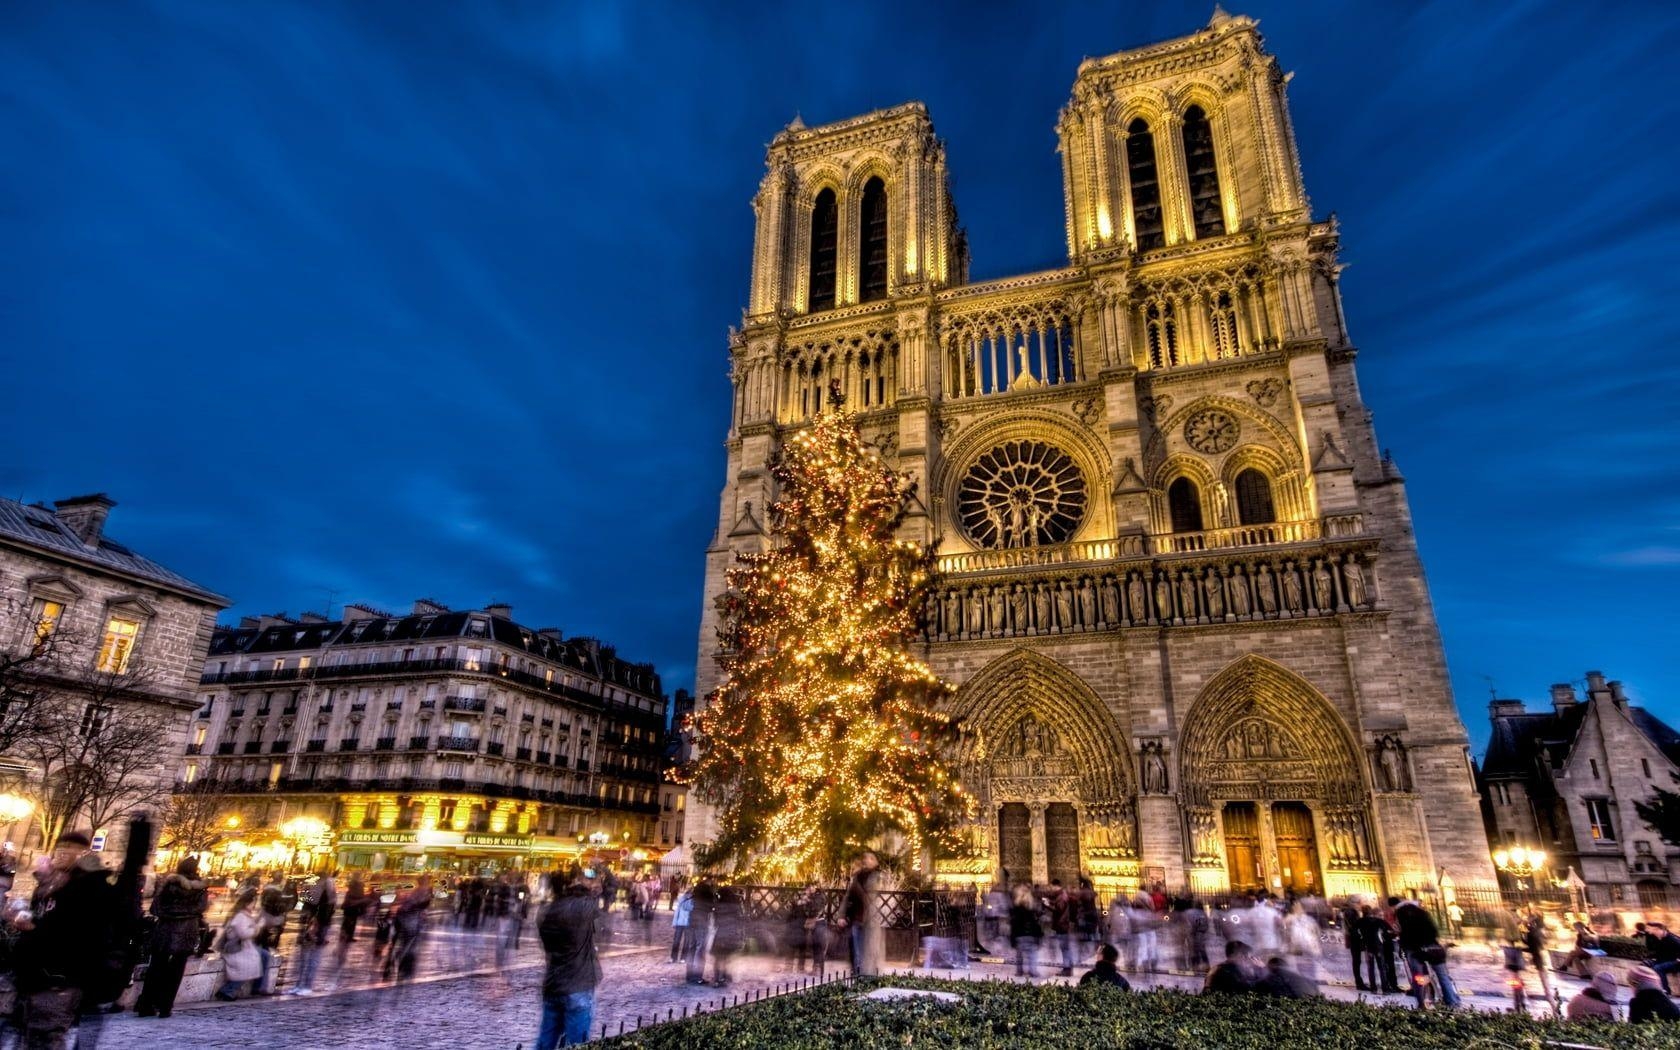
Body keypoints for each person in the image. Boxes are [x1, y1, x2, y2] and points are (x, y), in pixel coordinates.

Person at [10, 831, 116, 1048]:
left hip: (60, 977)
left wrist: (34, 927)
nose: (62, 851)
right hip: (35, 974)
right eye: (61, 846)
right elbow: (44, 918)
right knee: (31, 1037)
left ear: (83, 853)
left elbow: (77, 931)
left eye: (70, 847)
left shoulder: (89, 886)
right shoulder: (49, 883)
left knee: (45, 1037)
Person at [134, 857, 209, 1017]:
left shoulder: (168, 884)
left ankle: (146, 1004)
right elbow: (200, 908)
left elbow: (155, 908)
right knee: (176, 971)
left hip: (164, 930)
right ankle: (165, 1006)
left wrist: (171, 913)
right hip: (187, 931)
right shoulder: (200, 888)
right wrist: (186, 914)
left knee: (155, 968)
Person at [535, 869, 601, 1050]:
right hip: (577, 983)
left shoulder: (546, 913)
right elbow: (595, 907)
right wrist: (585, 888)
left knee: (545, 1041)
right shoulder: (582, 907)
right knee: (578, 1043)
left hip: (553, 983)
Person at [1392, 896, 1460, 1009]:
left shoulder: (1401, 917)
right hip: (1433, 948)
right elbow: (1435, 931)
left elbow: (1402, 936)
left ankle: (1422, 1003)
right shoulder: (1424, 915)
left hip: (1414, 950)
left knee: (1419, 977)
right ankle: (1452, 1003)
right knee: (1443, 976)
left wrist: (1402, 942)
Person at [214, 890, 268, 1000]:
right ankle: (228, 990)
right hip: (236, 949)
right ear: (247, 903)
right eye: (254, 902)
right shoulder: (240, 916)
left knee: (264, 955)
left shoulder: (244, 914)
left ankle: (256, 987)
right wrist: (258, 926)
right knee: (249, 965)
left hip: (243, 947)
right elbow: (244, 934)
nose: (255, 905)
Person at [289, 870, 336, 995]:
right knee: (307, 956)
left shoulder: (324, 890)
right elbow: (305, 903)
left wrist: (314, 922)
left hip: (316, 924)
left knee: (310, 957)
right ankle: (301, 985)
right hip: (312, 924)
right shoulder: (322, 888)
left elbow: (318, 907)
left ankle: (305, 985)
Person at [838, 852, 881, 977]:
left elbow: (873, 896)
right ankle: (857, 977)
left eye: (871, 858)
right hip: (857, 919)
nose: (867, 860)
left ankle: (869, 977)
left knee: (870, 951)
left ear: (876, 862)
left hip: (871, 921)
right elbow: (847, 897)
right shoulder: (857, 877)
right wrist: (841, 915)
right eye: (865, 858)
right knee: (857, 951)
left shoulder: (878, 877)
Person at [384, 875, 431, 982]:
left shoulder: (417, 891)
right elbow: (412, 906)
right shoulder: (421, 892)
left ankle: (399, 968)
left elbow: (409, 905)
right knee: (408, 948)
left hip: (408, 922)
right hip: (411, 923)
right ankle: (403, 970)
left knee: (406, 946)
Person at [710, 884, 744, 987]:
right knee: (725, 957)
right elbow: (739, 919)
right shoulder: (735, 905)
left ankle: (716, 979)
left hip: (720, 933)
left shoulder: (719, 905)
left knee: (718, 958)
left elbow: (715, 921)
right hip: (730, 934)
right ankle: (723, 978)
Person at [685, 875, 716, 985]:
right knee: (700, 948)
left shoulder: (696, 890)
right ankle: (697, 976)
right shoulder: (707, 891)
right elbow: (712, 905)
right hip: (702, 918)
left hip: (692, 918)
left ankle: (689, 975)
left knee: (692, 947)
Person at [1008, 883, 1043, 979]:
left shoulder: (1015, 909)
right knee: (1032, 954)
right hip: (1031, 934)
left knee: (1019, 954)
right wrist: (1039, 935)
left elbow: (1013, 924)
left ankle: (1019, 971)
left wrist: (1012, 938)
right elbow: (1035, 923)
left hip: (1019, 934)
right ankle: (1032, 971)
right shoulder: (1031, 909)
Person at [1047, 880, 1076, 977]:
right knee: (1065, 948)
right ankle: (1067, 967)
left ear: (1056, 886)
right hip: (1063, 925)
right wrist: (1050, 902)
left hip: (1062, 925)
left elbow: (1059, 909)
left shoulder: (1062, 896)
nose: (1050, 889)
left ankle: (1067, 969)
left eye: (1051, 887)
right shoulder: (1061, 895)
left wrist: (1047, 905)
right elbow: (1058, 905)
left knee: (1065, 948)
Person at [1642, 922, 1680, 994]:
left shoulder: (1673, 939)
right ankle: (1648, 988)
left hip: (1675, 962)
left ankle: (1665, 991)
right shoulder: (1656, 938)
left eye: (1652, 930)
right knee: (1644, 965)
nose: (1650, 932)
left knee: (1658, 968)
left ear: (1658, 929)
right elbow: (1651, 948)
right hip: (1663, 960)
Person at [670, 886, 694, 963]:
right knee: (680, 941)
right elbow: (678, 912)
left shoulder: (690, 900)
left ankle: (678, 958)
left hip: (684, 923)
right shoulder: (684, 899)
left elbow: (677, 912)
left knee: (682, 941)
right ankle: (678, 958)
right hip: (683, 923)